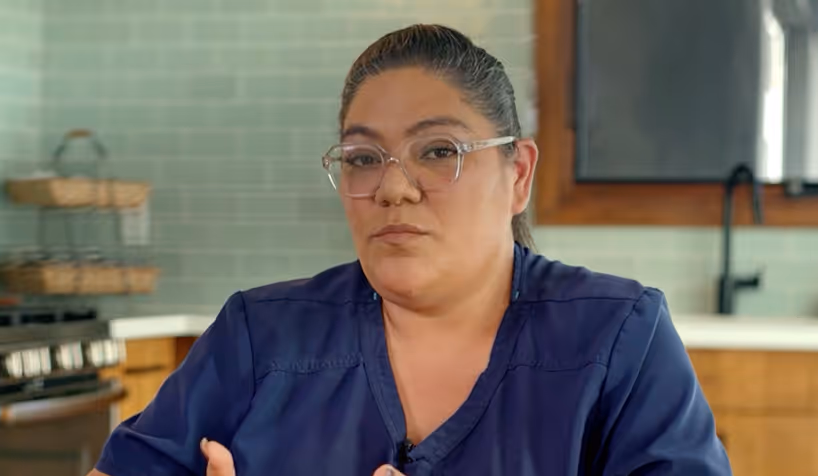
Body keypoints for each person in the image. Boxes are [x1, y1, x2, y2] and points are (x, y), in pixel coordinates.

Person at [90, 24, 731, 476]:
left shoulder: (619, 338)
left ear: (518, 174)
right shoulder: (258, 338)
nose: (393, 187)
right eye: (363, 157)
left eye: (439, 151)